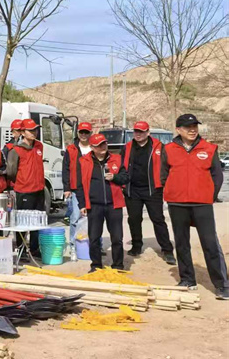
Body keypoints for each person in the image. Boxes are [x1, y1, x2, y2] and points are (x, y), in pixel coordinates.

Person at [161, 114, 228, 298]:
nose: (192, 130)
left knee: (210, 243)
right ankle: (187, 280)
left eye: (195, 126)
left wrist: (209, 196)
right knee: (182, 243)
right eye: (188, 127)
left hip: (201, 204)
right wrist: (172, 192)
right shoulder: (168, 149)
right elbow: (163, 175)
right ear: (178, 130)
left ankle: (222, 285)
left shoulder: (209, 148)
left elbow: (217, 176)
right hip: (177, 203)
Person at [122, 121, 175, 264]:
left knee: (158, 219)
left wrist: (163, 183)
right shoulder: (127, 147)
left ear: (148, 133)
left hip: (153, 190)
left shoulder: (159, 147)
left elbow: (167, 166)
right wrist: (123, 184)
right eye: (136, 131)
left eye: (141, 131)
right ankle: (136, 246)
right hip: (132, 190)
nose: (138, 134)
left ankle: (167, 250)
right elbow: (122, 166)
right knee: (134, 219)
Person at [76, 134, 129, 272]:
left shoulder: (117, 159)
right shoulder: (83, 161)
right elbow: (79, 185)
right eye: (99, 145)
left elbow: (126, 177)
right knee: (94, 237)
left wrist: (115, 177)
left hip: (114, 204)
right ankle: (96, 265)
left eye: (104, 143)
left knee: (117, 238)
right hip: (94, 205)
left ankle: (118, 265)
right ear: (92, 147)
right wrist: (82, 204)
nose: (102, 147)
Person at [5, 119, 46, 260]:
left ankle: (34, 249)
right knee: (22, 223)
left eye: (35, 129)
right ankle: (21, 250)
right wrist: (23, 180)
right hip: (24, 190)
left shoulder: (39, 146)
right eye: (31, 130)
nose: (34, 132)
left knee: (37, 221)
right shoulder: (16, 150)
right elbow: (11, 171)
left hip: (39, 189)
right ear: (22, 132)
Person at [62, 122, 93, 255]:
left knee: (94, 218)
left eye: (86, 132)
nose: (84, 135)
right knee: (75, 217)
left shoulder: (95, 147)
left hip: (92, 187)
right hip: (76, 188)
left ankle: (95, 244)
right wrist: (67, 188)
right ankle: (73, 245)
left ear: (90, 133)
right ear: (78, 133)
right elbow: (66, 169)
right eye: (81, 132)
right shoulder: (71, 149)